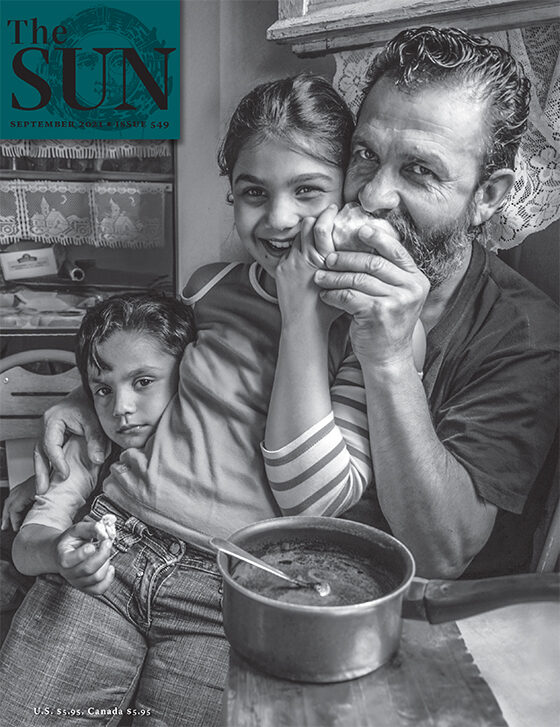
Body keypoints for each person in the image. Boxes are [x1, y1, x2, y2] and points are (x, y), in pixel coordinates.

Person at [0, 73, 376, 726]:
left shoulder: (364, 326)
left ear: (348, 193)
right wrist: (80, 402)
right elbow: (140, 367)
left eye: (308, 191)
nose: (280, 217)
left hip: (231, 596)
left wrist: (299, 311)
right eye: (255, 193)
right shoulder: (209, 285)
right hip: (116, 546)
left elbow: (313, 495)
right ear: (232, 193)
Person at [303, 26, 558, 579]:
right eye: (366, 155)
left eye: (420, 170)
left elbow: (444, 550)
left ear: (486, 197)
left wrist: (390, 358)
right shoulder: (305, 261)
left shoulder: (527, 334)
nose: (371, 196)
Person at [10, 292, 195, 589]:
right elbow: (26, 545)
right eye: (103, 390)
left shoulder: (207, 435)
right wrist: (57, 552)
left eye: (143, 382)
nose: (121, 407)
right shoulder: (92, 445)